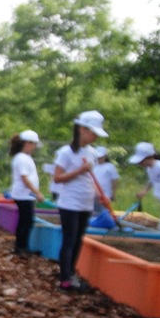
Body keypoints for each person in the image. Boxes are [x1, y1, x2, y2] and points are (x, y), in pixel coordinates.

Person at [53, 111, 107, 292]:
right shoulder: (66, 152)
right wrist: (80, 170)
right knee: (69, 240)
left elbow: (91, 179)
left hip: (86, 203)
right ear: (82, 130)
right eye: (93, 133)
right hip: (70, 203)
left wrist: (100, 197)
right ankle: (64, 279)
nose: (95, 137)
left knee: (78, 240)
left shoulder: (92, 152)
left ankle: (71, 273)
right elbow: (58, 178)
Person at [9, 130, 46, 256]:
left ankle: (23, 246)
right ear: (28, 143)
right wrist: (37, 193)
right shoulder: (21, 158)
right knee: (26, 221)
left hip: (26, 195)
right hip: (24, 195)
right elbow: (25, 179)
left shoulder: (25, 158)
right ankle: (20, 247)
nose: (35, 147)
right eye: (34, 144)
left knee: (26, 221)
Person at [92, 147, 120, 214]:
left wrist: (113, 193)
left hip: (106, 195)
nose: (99, 158)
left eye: (101, 157)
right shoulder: (93, 166)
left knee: (103, 212)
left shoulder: (110, 166)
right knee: (94, 212)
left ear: (105, 156)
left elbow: (115, 180)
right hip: (93, 194)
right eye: (98, 157)